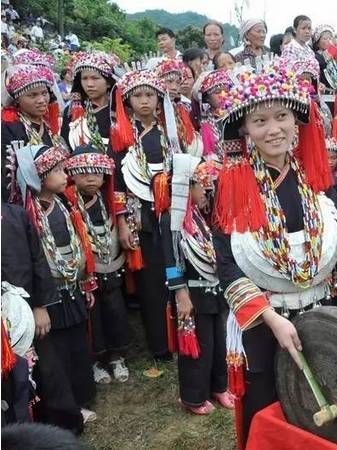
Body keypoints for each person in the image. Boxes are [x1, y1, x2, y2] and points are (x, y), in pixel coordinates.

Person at [212, 63, 337, 443]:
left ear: (298, 121)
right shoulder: (231, 184)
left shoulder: (315, 176)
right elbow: (227, 265)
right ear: (245, 131)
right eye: (260, 121)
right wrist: (271, 319)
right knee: (270, 404)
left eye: (282, 117)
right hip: (266, 320)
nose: (273, 130)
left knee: (331, 392)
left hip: (321, 306)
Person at [12, 143, 98, 422]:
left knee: (77, 344)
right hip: (49, 295)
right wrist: (39, 304)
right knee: (56, 352)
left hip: (71, 287)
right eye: (58, 171)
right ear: (38, 176)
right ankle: (67, 406)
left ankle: (83, 395)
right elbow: (31, 262)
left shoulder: (64, 203)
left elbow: (79, 246)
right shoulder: (28, 213)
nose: (65, 176)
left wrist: (84, 280)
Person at [110, 70, 177, 362]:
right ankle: (160, 346)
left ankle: (182, 338)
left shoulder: (172, 133)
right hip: (141, 219)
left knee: (176, 275)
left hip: (172, 214)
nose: (145, 101)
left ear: (159, 99)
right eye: (138, 96)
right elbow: (117, 183)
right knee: (151, 284)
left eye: (150, 95)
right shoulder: (122, 136)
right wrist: (123, 222)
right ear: (128, 101)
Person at [161, 156, 233, 415]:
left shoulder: (200, 216)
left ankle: (219, 387)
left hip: (213, 289)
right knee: (197, 346)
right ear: (184, 186)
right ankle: (192, 397)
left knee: (218, 342)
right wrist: (180, 293)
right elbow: (170, 259)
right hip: (191, 292)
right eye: (200, 184)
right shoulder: (172, 218)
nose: (206, 189)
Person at [64, 144, 131, 384]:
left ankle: (116, 356)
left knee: (115, 310)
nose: (91, 178)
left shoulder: (109, 199)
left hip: (112, 263)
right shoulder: (68, 202)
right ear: (72, 175)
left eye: (96, 173)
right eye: (84, 173)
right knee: (93, 317)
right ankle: (95, 361)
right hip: (86, 271)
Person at [1, 64, 64, 161]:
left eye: (44, 93)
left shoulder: (49, 124)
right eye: (32, 95)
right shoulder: (8, 127)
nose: (41, 100)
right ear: (17, 99)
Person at [61, 51, 119, 153]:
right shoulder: (72, 111)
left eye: (95, 78)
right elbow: (65, 145)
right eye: (84, 78)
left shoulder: (119, 110)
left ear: (108, 83)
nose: (89, 84)